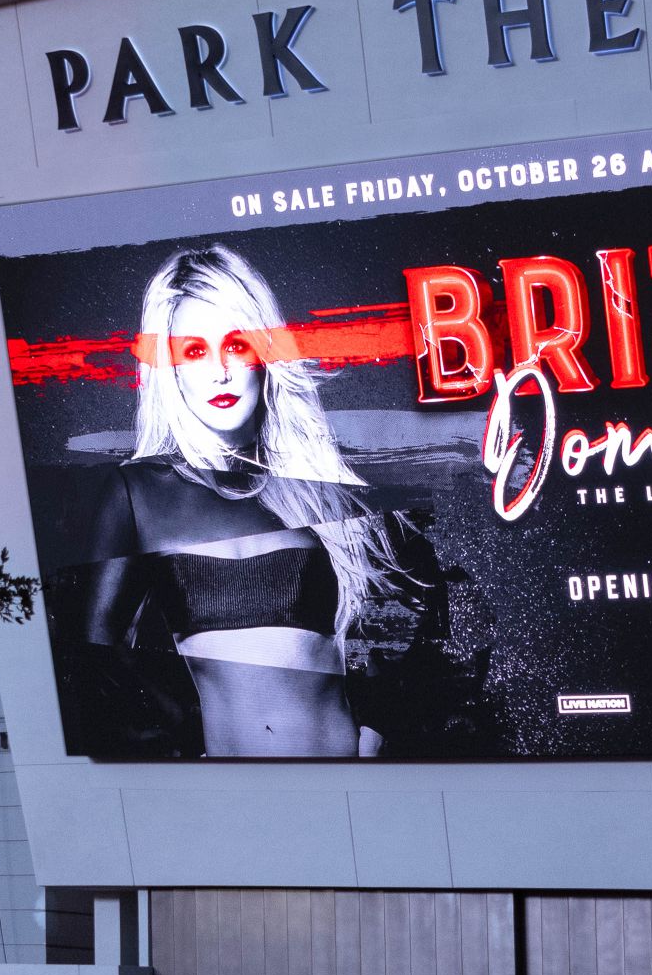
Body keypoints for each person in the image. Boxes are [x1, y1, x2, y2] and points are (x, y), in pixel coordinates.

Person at [62, 246, 401, 758]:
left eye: (237, 345)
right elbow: (95, 661)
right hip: (231, 788)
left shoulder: (322, 490)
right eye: (194, 351)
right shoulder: (139, 493)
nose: (219, 370)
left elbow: (390, 638)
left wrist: (372, 744)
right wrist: (181, 753)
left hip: (349, 779)